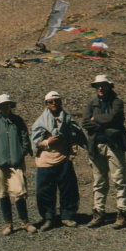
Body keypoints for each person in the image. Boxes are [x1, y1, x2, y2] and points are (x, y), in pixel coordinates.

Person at [31, 91, 87, 231]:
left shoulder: (67, 119)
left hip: (63, 158)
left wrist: (77, 149)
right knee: (44, 191)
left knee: (68, 189)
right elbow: (34, 141)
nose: (54, 104)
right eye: (50, 102)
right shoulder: (41, 121)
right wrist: (47, 142)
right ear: (46, 105)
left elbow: (76, 134)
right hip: (45, 161)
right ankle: (48, 218)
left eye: (56, 101)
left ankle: (67, 216)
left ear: (61, 102)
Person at [83, 74, 126, 228]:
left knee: (119, 179)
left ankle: (122, 212)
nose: (100, 88)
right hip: (96, 145)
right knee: (99, 181)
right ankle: (99, 212)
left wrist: (95, 120)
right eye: (98, 86)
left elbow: (113, 118)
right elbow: (85, 122)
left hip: (114, 145)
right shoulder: (92, 103)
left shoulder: (117, 102)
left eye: (103, 85)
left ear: (109, 86)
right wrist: (104, 122)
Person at [0, 93, 37, 236]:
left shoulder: (17, 120)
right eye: (2, 105)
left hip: (16, 161)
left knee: (20, 191)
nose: (5, 107)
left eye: (7, 104)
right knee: (3, 193)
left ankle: (25, 221)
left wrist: (23, 152)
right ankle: (8, 223)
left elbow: (24, 136)